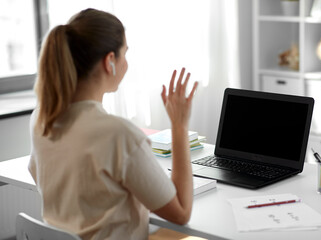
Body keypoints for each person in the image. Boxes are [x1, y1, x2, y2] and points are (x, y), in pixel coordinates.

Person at [29, 8, 198, 240]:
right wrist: (179, 126)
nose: (127, 63)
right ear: (110, 61)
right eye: (124, 54)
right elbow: (181, 213)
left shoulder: (41, 119)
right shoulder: (118, 133)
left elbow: (40, 174)